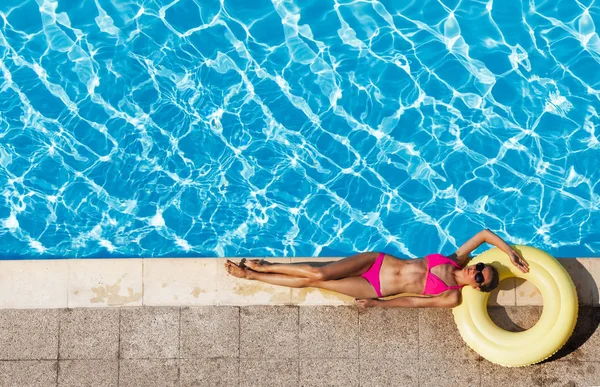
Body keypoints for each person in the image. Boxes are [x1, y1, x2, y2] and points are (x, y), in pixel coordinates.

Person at [224, 229, 529, 308]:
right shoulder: (456, 258)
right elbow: (484, 234)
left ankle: (251, 275)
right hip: (376, 262)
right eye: (482, 268)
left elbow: (411, 301)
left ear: (477, 286)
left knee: (313, 283)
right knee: (320, 272)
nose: (476, 272)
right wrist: (510, 253)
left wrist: (377, 304)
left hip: (376, 288)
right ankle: (267, 265)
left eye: (479, 278)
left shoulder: (452, 296)